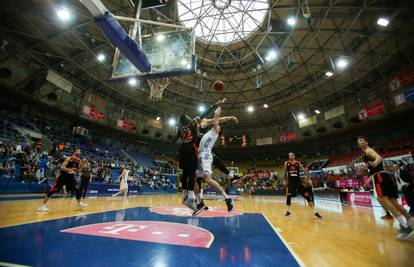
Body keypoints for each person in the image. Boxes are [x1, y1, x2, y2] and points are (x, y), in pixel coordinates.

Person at [357, 136, 414, 239]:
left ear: (366, 142)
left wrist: (374, 163)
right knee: (393, 201)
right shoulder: (367, 154)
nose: (360, 143)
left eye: (361, 141)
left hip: (379, 177)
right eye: (358, 142)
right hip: (383, 175)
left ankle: (404, 226)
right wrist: (365, 168)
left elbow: (379, 158)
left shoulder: (368, 150)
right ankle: (410, 220)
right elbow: (372, 165)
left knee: (382, 199)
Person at [193, 105, 237, 215]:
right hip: (200, 156)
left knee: (208, 180)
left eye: (218, 126)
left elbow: (217, 118)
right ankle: (199, 202)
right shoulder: (207, 133)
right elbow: (198, 134)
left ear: (218, 130)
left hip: (206, 156)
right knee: (192, 179)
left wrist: (219, 106)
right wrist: (198, 124)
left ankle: (227, 199)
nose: (217, 125)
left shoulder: (215, 131)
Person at [284, 152, 322, 219]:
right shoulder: (286, 163)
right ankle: (288, 211)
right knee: (288, 196)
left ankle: (315, 212)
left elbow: (304, 170)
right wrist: (286, 181)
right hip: (291, 183)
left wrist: (309, 178)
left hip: (298, 183)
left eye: (292, 155)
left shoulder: (298, 163)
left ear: (294, 156)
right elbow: (285, 172)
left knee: (307, 197)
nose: (290, 156)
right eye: (289, 155)